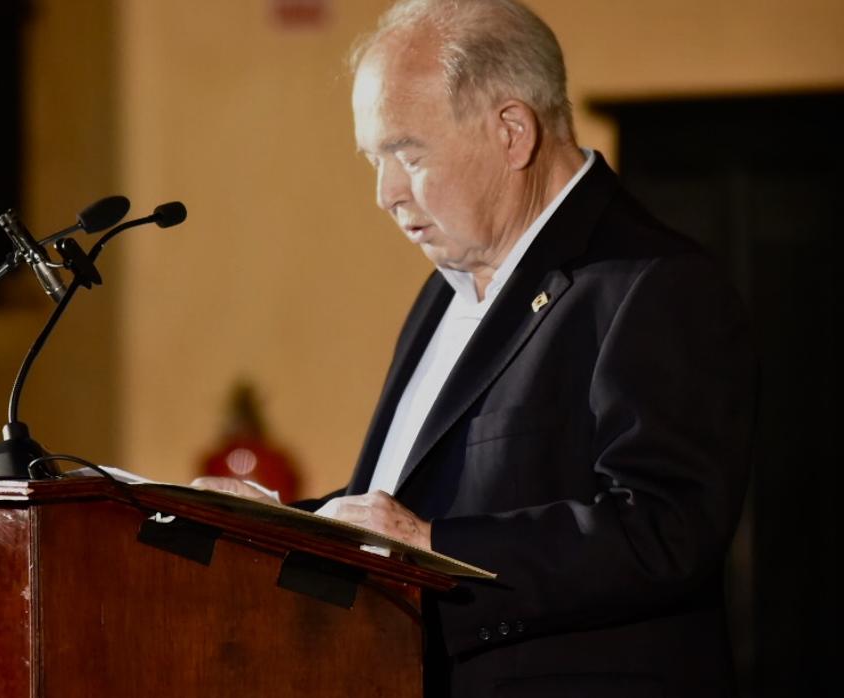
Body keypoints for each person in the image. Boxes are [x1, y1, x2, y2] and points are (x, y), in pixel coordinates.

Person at [194, 0, 758, 695]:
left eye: (408, 153)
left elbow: (667, 531)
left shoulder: (654, 286)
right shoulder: (445, 292)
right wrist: (271, 525)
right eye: (375, 159)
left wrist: (436, 549)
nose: (385, 194)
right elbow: (414, 508)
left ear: (513, 133)